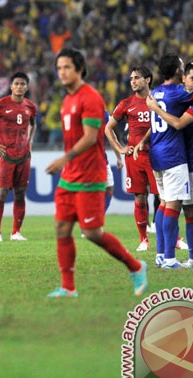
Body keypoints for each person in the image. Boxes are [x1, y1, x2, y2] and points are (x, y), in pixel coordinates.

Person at [45, 48, 147, 298]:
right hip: (71, 175)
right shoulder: (67, 100)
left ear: (80, 69)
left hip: (90, 176)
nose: (62, 72)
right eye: (59, 68)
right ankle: (68, 287)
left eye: (67, 67)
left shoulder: (90, 98)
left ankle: (135, 266)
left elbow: (91, 138)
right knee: (61, 227)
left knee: (92, 233)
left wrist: (64, 158)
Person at [145, 54, 193, 269]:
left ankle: (161, 254)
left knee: (164, 204)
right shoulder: (180, 94)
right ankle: (169, 259)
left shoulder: (156, 92)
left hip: (157, 155)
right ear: (180, 72)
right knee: (173, 207)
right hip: (173, 156)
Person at [0, 71, 38, 242]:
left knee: (20, 194)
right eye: (16, 84)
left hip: (24, 157)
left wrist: (30, 140)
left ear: (26, 87)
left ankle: (16, 232)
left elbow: (33, 123)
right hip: (6, 156)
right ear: (11, 86)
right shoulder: (0, 105)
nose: (19, 87)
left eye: (22, 84)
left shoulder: (30, 106)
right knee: (2, 192)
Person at [105, 66, 159, 252]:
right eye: (131, 79)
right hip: (134, 157)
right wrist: (120, 148)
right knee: (140, 197)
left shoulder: (158, 100)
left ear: (148, 80)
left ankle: (173, 238)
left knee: (164, 198)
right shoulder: (126, 103)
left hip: (157, 155)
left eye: (137, 77)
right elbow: (108, 128)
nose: (133, 81)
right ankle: (143, 239)